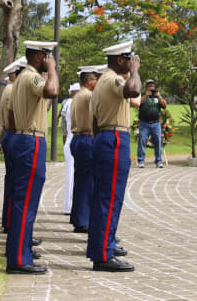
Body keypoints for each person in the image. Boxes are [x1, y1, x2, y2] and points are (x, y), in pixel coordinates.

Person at [87, 40, 141, 272]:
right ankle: (103, 254)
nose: (132, 63)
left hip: (105, 138)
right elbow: (134, 90)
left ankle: (100, 248)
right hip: (114, 139)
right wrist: (135, 70)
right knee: (110, 199)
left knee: (104, 198)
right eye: (129, 59)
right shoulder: (113, 79)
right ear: (121, 60)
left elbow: (95, 121)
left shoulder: (103, 81)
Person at [6, 41, 58, 275]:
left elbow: (41, 104)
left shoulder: (22, 79)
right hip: (30, 141)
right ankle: (19, 259)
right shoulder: (31, 76)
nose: (50, 59)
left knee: (23, 201)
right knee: (26, 202)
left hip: (23, 138)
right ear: (39, 57)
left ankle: (20, 251)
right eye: (47, 55)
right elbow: (52, 91)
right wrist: (52, 71)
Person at [70, 67, 98, 231]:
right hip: (86, 137)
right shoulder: (88, 96)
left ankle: (79, 217)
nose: (97, 82)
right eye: (95, 79)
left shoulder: (78, 94)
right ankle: (83, 220)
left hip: (78, 138)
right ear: (89, 81)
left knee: (81, 182)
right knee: (87, 183)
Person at [0, 58, 26, 234]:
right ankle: (12, 223)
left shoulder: (8, 88)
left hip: (9, 134)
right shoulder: (14, 89)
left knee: (12, 181)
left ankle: (9, 221)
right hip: (14, 133)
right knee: (17, 182)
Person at [137, 79, 168, 169]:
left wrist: (159, 97)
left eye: (152, 86)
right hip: (144, 123)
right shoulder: (143, 96)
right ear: (146, 87)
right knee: (142, 141)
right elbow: (138, 103)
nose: (151, 88)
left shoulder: (157, 96)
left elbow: (165, 105)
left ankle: (158, 161)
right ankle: (141, 161)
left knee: (158, 142)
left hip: (156, 124)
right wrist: (146, 95)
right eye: (149, 86)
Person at [62, 82, 80, 215]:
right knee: (71, 176)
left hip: (71, 139)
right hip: (73, 139)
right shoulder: (72, 103)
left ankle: (70, 206)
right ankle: (69, 207)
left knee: (73, 175)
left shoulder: (70, 103)